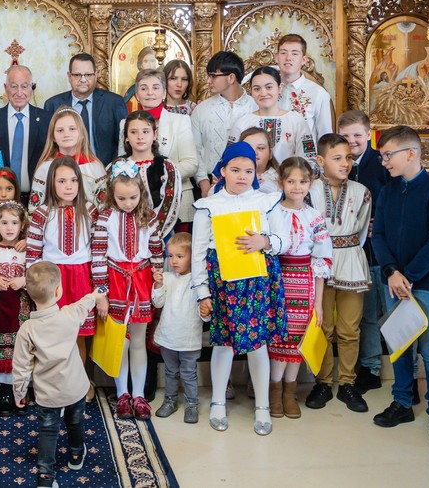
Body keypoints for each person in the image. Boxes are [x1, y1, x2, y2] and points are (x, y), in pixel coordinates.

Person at [192, 142, 289, 436]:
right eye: (235, 170)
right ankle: (218, 402)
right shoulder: (208, 206)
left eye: (248, 170)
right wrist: (202, 292)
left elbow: (284, 240)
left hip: (257, 281)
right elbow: (198, 252)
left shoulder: (266, 201)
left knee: (258, 343)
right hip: (223, 282)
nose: (242, 176)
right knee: (223, 342)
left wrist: (266, 241)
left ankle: (262, 406)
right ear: (222, 171)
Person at [371, 125, 429, 445]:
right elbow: (378, 235)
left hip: (427, 283)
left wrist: (411, 276)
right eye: (381, 157)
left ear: (411, 154)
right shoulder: (387, 191)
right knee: (400, 343)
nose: (384, 162)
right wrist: (392, 271)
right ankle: (403, 401)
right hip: (394, 281)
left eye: (388, 155)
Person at [12, 261, 106, 488]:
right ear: (58, 291)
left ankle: (46, 476)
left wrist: (19, 392)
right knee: (75, 422)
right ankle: (75, 455)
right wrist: (97, 293)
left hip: (47, 393)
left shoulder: (27, 329)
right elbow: (84, 304)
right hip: (75, 388)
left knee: (48, 430)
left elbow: (21, 365)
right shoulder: (69, 315)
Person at [26, 156, 103, 399]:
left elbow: (99, 249)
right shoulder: (41, 213)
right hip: (53, 278)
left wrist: (100, 290)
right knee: (53, 334)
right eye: (61, 181)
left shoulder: (90, 211)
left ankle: (79, 386)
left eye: (73, 180)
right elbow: (32, 251)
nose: (68, 186)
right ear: (51, 184)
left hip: (81, 276)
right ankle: (53, 385)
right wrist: (34, 284)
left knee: (78, 333)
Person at [305, 134, 372, 414]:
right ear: (320, 161)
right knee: (323, 326)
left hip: (352, 262)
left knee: (349, 329)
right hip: (319, 264)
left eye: (348, 158)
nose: (345, 163)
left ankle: (347, 382)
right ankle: (322, 381)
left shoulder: (362, 191)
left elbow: (363, 229)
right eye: (337, 158)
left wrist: (348, 250)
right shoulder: (309, 190)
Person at [92, 161, 163, 420]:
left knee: (139, 341)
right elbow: (98, 255)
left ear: (141, 193)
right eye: (121, 198)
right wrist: (101, 293)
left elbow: (156, 250)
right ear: (112, 194)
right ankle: (122, 394)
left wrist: (158, 280)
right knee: (120, 341)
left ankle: (139, 395)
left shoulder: (150, 216)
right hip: (116, 280)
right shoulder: (105, 217)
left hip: (142, 281)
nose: (128, 202)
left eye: (133, 197)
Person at [267, 157, 333, 420]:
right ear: (281, 182)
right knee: (279, 335)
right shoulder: (272, 213)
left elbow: (321, 259)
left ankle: (289, 392)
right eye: (291, 181)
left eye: (303, 181)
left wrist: (317, 303)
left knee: (296, 337)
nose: (297, 187)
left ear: (310, 183)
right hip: (278, 280)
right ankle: (273, 390)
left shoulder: (314, 217)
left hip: (303, 282)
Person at [338, 110, 393, 393]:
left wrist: (381, 223)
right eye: (346, 136)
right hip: (358, 257)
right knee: (368, 315)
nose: (352, 141)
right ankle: (371, 368)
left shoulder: (381, 164)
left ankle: (407, 369)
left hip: (386, 255)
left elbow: (396, 200)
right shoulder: (338, 166)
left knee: (396, 314)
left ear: (369, 135)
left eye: (357, 135)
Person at [116, 70, 197, 221]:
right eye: (144, 88)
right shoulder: (124, 124)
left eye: (155, 87)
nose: (150, 93)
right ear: (137, 94)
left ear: (164, 93)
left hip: (177, 199)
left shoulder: (180, 121)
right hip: (136, 204)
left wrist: (158, 175)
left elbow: (191, 164)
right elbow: (123, 163)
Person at [0, 200, 31, 416]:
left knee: (22, 350)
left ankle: (20, 392)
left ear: (22, 225)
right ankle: (3, 394)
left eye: (14, 223)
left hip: (21, 309)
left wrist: (24, 280)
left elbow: (38, 274)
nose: (9, 228)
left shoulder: (27, 250)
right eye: (4, 222)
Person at [191, 51, 258, 198]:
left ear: (231, 77)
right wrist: (203, 183)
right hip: (210, 184)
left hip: (249, 184)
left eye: (213, 76)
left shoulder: (255, 107)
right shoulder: (202, 110)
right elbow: (195, 149)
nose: (208, 81)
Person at [0, 64, 52, 203]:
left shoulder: (47, 120)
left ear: (32, 88)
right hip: (1, 201)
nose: (19, 93)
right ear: (5, 88)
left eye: (24, 86)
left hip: (38, 199)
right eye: (14, 86)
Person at [152, 232, 202, 423]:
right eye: (170, 256)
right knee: (170, 372)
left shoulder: (198, 281)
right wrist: (157, 284)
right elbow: (157, 303)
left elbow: (203, 311)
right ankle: (170, 401)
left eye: (180, 256)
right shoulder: (166, 277)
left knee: (189, 373)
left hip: (189, 339)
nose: (174, 261)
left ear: (192, 256)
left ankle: (191, 404)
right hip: (168, 337)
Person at [44, 53, 128, 166]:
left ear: (96, 75)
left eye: (88, 75)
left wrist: (112, 169)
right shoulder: (53, 105)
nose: (83, 79)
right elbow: (50, 146)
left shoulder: (114, 102)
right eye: (77, 75)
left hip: (106, 171)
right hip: (65, 171)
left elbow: (123, 143)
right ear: (69, 76)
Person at [111, 110, 182, 241]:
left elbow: (171, 205)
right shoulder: (116, 166)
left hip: (158, 237)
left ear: (155, 134)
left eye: (145, 131)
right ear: (126, 136)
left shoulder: (167, 167)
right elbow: (106, 200)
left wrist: (150, 234)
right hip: (121, 236)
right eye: (133, 132)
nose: (140, 137)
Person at [229, 66, 316, 164]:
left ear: (280, 88)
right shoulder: (242, 123)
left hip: (289, 178)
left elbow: (309, 160)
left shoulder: (296, 121)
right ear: (251, 92)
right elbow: (229, 160)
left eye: (269, 87)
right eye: (257, 89)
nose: (263, 93)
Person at [30, 108, 107, 208]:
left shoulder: (95, 168)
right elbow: (34, 209)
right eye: (60, 130)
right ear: (53, 136)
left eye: (72, 129)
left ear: (82, 134)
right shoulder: (45, 168)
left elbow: (104, 208)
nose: (66, 134)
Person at [275, 33, 335, 142]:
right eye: (283, 53)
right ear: (277, 58)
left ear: (304, 60)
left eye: (294, 53)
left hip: (303, 157)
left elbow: (325, 137)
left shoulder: (318, 93)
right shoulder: (266, 90)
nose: (288, 58)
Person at [241, 126, 280, 195]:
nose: (254, 152)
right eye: (248, 148)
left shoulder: (280, 179)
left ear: (270, 153)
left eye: (260, 148)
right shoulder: (228, 176)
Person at [123, 46, 159, 112]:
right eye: (146, 61)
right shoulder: (133, 90)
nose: (149, 65)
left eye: (152, 61)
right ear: (140, 64)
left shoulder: (163, 87)